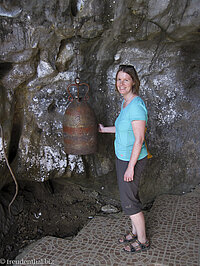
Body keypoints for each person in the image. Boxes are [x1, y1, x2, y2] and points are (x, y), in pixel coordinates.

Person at [99, 64, 150, 253]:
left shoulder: (136, 106)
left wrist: (130, 167)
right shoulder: (126, 103)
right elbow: (122, 128)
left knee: (129, 201)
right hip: (124, 158)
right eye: (119, 80)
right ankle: (136, 232)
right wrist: (104, 130)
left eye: (126, 80)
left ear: (133, 82)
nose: (121, 83)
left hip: (132, 160)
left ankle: (143, 240)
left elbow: (139, 139)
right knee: (130, 197)